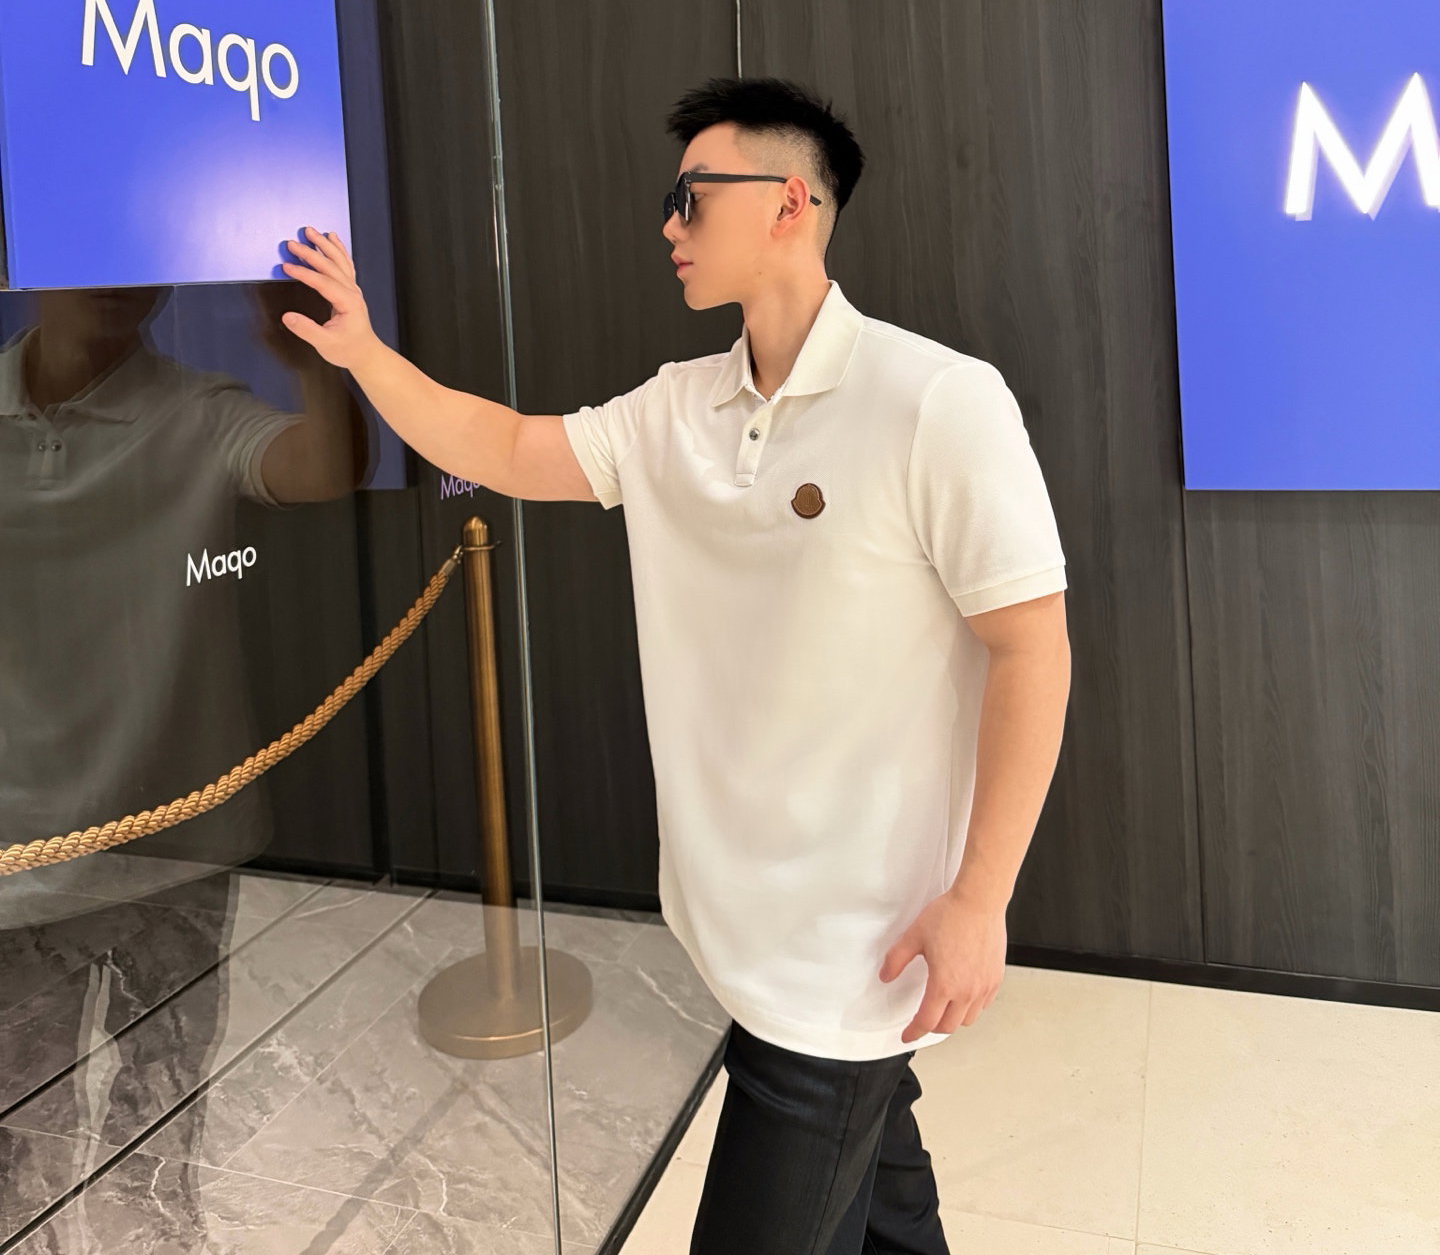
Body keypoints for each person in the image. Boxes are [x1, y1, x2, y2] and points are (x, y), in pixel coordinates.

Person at [276, 75, 1072, 1255]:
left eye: (692, 197)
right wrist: (362, 353)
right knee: (885, 1201)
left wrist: (981, 898)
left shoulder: (937, 401)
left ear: (789, 203)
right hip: (737, 924)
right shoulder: (674, 410)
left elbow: (1031, 646)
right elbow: (504, 446)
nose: (668, 224)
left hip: (856, 946)